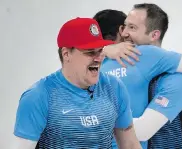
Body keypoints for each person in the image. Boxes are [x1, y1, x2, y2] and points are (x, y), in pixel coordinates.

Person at [13, 17, 141, 149]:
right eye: (90, 52)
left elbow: (130, 145)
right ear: (66, 54)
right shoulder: (38, 96)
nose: (98, 58)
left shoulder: (114, 87)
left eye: (100, 51)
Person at [95, 3, 182, 149]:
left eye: (132, 27)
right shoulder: (122, 69)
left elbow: (141, 131)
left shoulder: (177, 79)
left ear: (154, 35)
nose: (125, 33)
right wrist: (104, 49)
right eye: (124, 27)